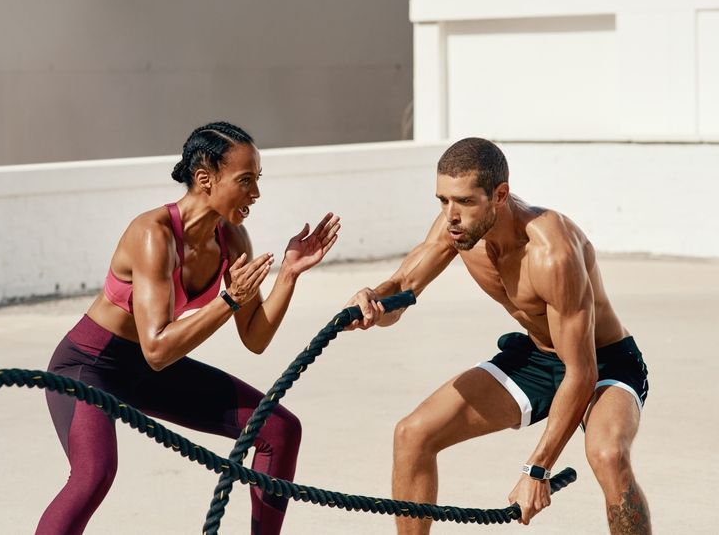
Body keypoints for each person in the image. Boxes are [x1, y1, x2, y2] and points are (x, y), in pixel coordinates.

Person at [37, 121, 340, 535]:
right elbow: (158, 348)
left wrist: (288, 274)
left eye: (258, 180)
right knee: (94, 473)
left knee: (279, 430)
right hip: (89, 366)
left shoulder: (233, 240)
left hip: (149, 369)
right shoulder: (153, 235)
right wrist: (227, 301)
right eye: (245, 180)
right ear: (205, 179)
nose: (256, 193)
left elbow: (254, 338)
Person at [347, 137, 651, 534]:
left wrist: (537, 469)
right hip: (539, 357)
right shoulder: (456, 230)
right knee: (413, 435)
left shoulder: (550, 252)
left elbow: (581, 373)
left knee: (609, 455)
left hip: (603, 359)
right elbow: (403, 287)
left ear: (499, 195)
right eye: (443, 200)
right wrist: (373, 302)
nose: (450, 215)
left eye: (465, 202)